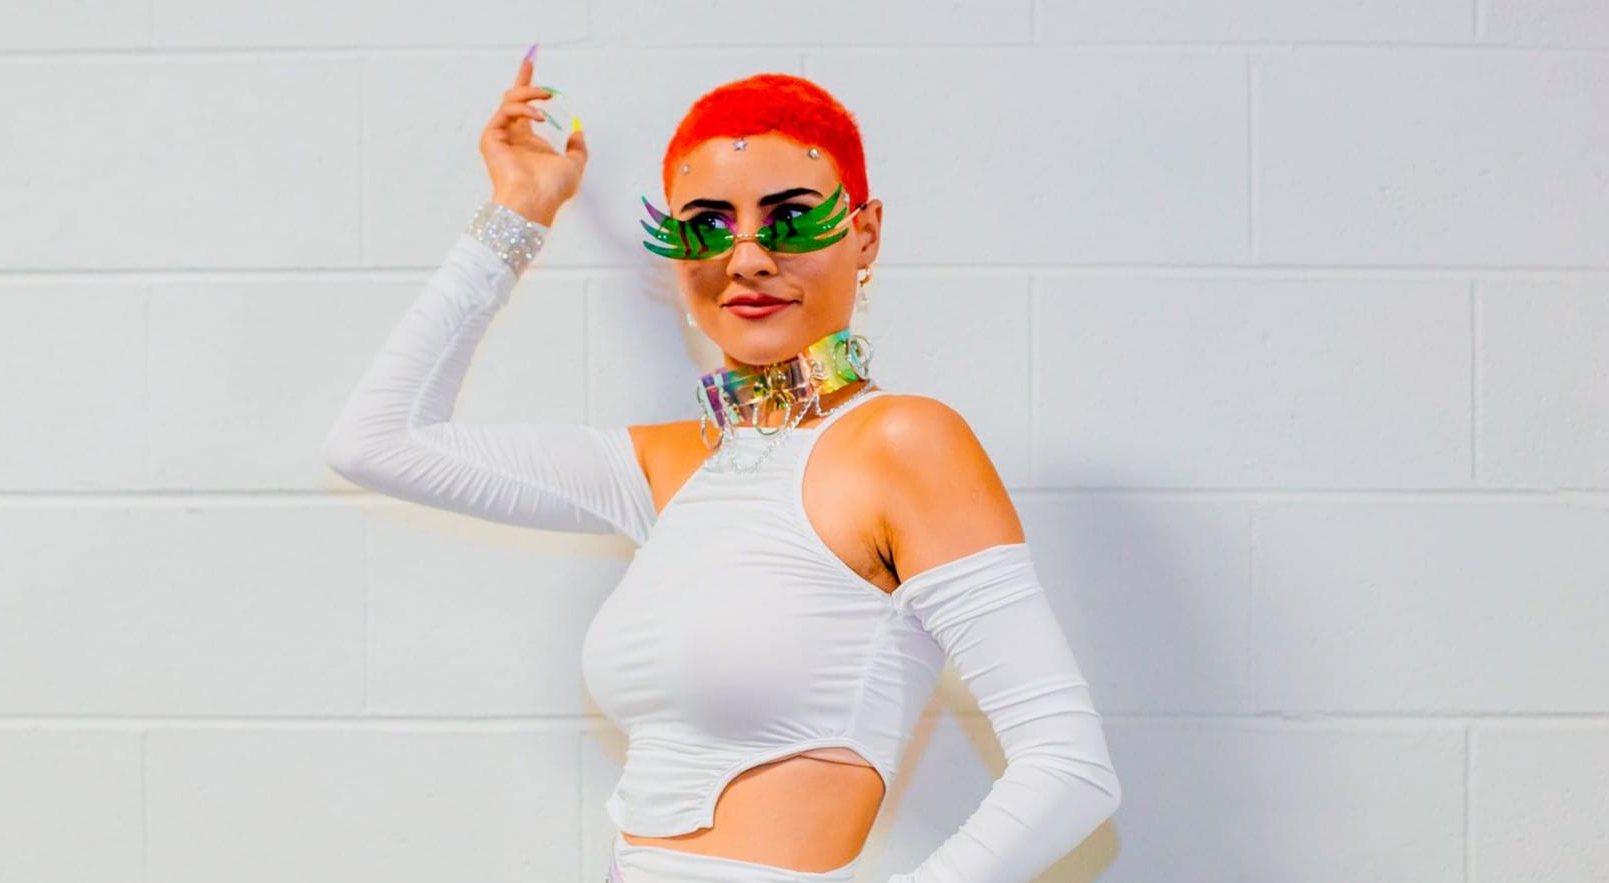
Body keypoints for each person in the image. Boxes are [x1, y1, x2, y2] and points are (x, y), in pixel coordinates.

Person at [321, 44, 1122, 883]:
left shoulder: (902, 442)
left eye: (790, 218)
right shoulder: (672, 463)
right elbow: (375, 442)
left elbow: (1069, 767)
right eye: (706, 225)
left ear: (865, 234)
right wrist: (520, 208)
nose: (746, 259)